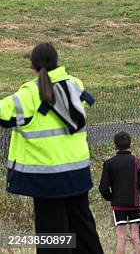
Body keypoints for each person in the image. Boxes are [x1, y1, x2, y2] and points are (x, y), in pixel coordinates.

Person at [0, 42, 104, 254]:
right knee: (84, 231)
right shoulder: (75, 84)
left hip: (46, 179)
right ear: (57, 61)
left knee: (54, 238)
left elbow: (4, 114)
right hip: (77, 173)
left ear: (32, 65)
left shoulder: (30, 93)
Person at [99, 132, 140, 254]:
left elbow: (103, 188)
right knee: (135, 236)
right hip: (135, 204)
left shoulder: (109, 163)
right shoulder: (138, 162)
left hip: (118, 205)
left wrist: (112, 197)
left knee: (121, 237)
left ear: (114, 146)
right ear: (131, 144)